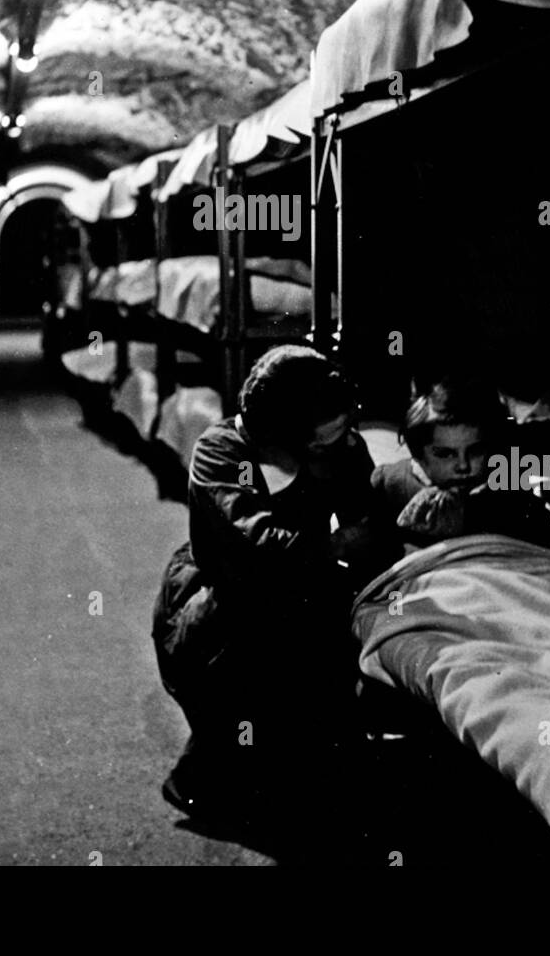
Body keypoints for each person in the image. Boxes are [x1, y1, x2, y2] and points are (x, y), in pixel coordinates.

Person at [152, 345, 391, 827]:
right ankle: (206, 770)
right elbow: (254, 541)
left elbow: (366, 520)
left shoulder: (339, 445)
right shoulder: (222, 450)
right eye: (324, 436)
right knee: (250, 667)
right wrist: (335, 544)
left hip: (302, 584)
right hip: (221, 597)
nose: (343, 437)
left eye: (344, 424)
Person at [371, 378, 550, 555]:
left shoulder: (510, 495)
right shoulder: (390, 484)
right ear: (418, 455)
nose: (463, 466)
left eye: (475, 451)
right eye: (445, 454)